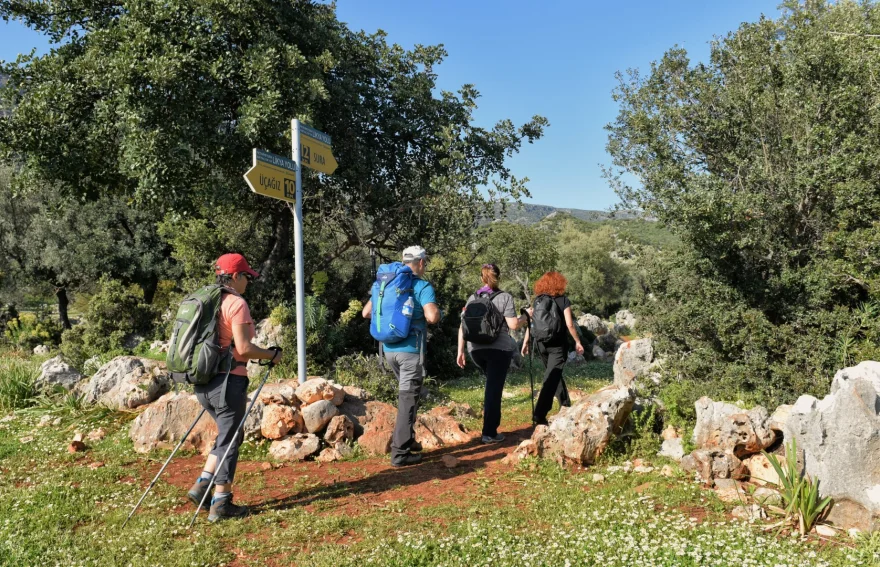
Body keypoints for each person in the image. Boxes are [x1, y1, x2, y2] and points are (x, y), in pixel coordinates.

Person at [187, 253, 284, 522]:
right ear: (235, 276)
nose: (248, 283)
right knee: (230, 440)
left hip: (203, 381)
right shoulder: (235, 304)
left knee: (229, 435)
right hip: (229, 382)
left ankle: (202, 483)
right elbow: (243, 348)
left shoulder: (205, 300)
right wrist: (271, 355)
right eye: (246, 277)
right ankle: (221, 503)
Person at [362, 246, 440, 467]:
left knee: (409, 397)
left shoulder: (386, 283)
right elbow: (432, 316)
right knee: (408, 399)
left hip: (389, 351)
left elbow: (366, 313)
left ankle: (409, 440)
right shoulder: (422, 285)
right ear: (422, 262)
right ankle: (400, 453)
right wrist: (438, 312)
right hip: (411, 352)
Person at [456, 263, 528, 443]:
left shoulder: (472, 298)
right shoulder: (505, 297)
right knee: (493, 390)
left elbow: (462, 327)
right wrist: (526, 317)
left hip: (475, 350)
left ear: (482, 278)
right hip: (499, 349)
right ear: (499, 277)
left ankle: (490, 427)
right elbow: (513, 325)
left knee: (491, 386)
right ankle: (489, 432)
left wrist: (460, 351)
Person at [522, 271, 584, 426]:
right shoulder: (563, 300)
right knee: (551, 378)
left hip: (541, 344)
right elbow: (570, 324)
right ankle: (539, 415)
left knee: (554, 375)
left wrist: (526, 341)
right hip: (557, 345)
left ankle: (565, 405)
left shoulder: (538, 300)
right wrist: (577, 341)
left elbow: (533, 323)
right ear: (559, 284)